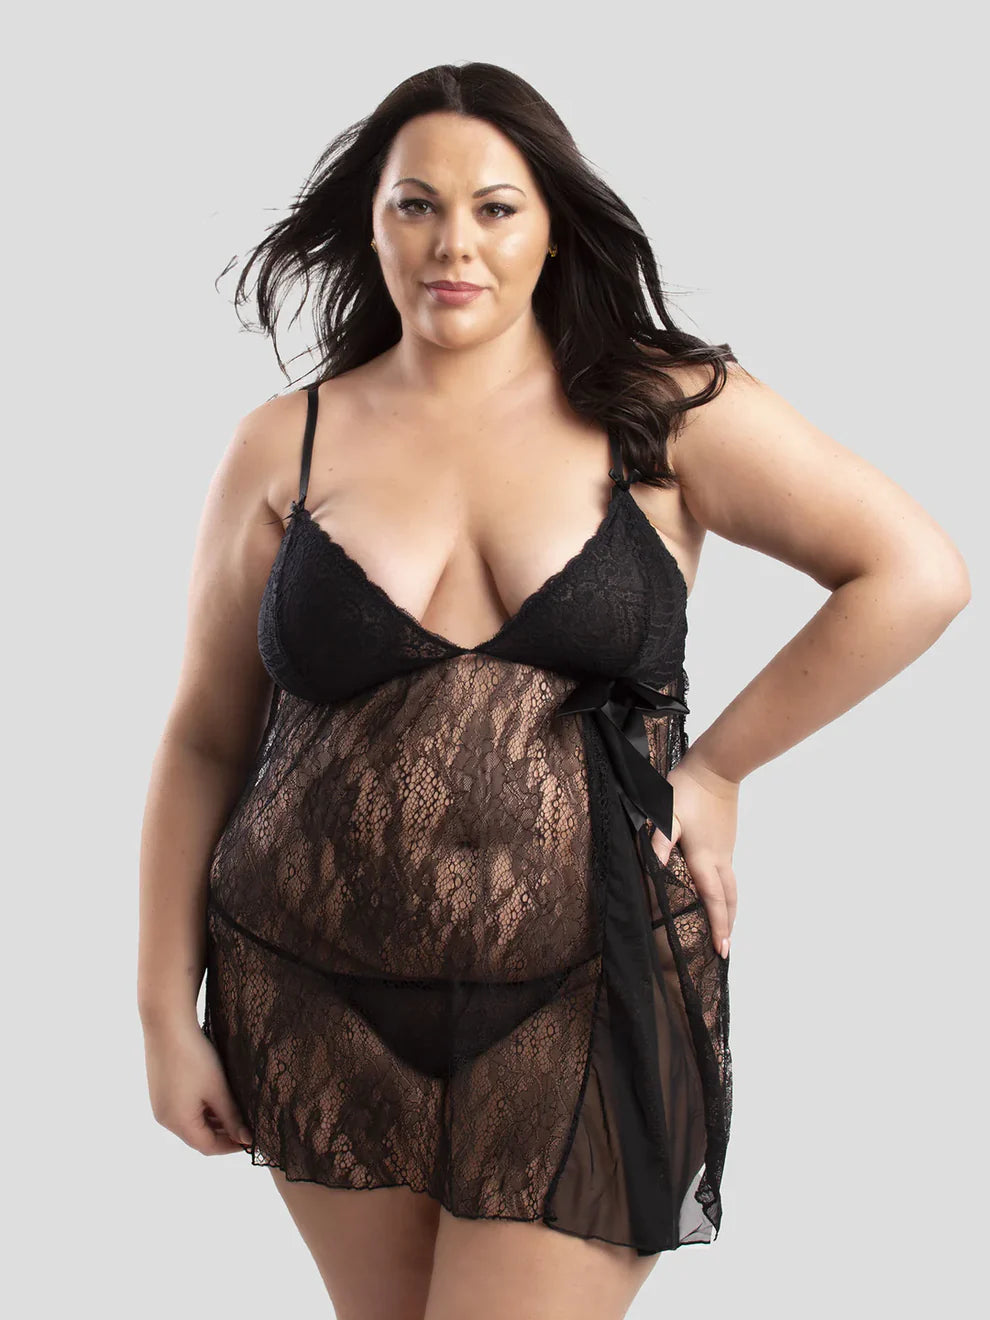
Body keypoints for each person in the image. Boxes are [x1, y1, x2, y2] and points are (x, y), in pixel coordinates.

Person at [137, 62, 970, 1320]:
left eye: (495, 208)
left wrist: (719, 768)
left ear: (552, 227)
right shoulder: (284, 441)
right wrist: (162, 1007)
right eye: (417, 205)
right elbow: (207, 738)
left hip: (587, 988)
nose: (453, 245)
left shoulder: (661, 412)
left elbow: (915, 574)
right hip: (307, 985)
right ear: (372, 222)